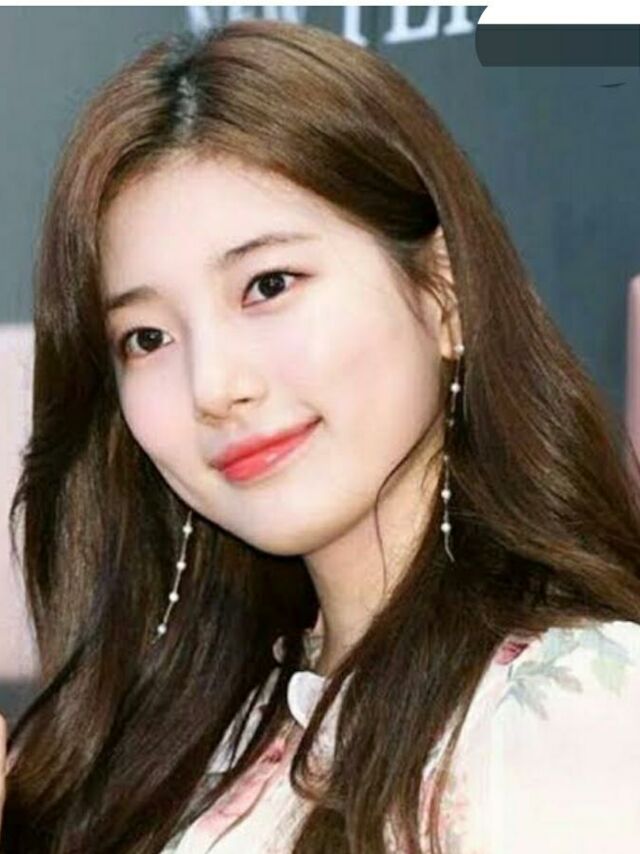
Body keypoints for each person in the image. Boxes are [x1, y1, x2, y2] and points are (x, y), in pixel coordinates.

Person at [2, 17, 640, 854]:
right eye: (147, 338)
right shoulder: (186, 744)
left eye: (269, 284)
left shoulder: (573, 721)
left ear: (442, 292)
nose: (214, 386)